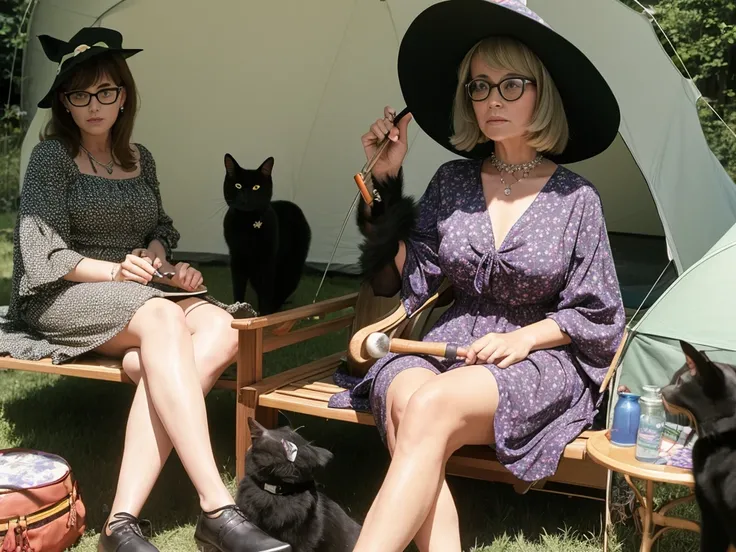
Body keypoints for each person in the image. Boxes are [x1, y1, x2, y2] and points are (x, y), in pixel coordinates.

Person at [333, 1, 626, 550]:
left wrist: (523, 337)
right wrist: (383, 181)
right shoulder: (453, 180)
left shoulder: (576, 197)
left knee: (429, 408)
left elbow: (600, 312)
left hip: (536, 355)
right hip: (450, 344)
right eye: (479, 86)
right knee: (407, 399)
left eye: (511, 85)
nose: (492, 100)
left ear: (542, 92)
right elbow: (407, 275)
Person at [0, 27, 291, 552]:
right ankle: (217, 507)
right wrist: (115, 271)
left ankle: (119, 526)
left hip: (139, 293)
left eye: (106, 91)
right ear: (63, 102)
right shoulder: (51, 160)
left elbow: (161, 225)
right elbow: (42, 254)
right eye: (80, 94)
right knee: (163, 321)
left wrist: (158, 253)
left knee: (223, 327)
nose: (94, 105)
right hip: (63, 293)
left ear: (124, 95)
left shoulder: (140, 158)